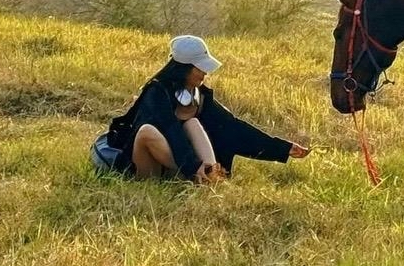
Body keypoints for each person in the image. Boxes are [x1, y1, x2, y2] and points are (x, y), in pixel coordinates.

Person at [91, 34, 310, 185]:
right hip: (147, 170)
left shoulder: (200, 94)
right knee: (148, 131)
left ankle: (210, 174)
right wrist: (191, 165)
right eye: (200, 67)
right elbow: (170, 131)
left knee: (194, 122)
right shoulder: (157, 93)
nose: (205, 72)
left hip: (178, 167)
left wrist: (282, 148)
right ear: (184, 67)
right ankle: (198, 175)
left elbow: (233, 127)